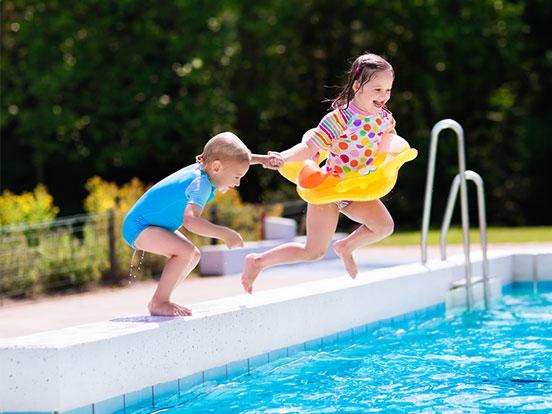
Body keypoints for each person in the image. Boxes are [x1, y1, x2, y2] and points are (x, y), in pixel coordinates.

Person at [241, 53, 410, 294]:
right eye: (377, 89)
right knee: (313, 252)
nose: (384, 96)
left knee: (384, 226)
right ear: (357, 85)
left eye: (388, 90)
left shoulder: (384, 118)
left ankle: (346, 247)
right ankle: (257, 261)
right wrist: (284, 157)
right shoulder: (340, 118)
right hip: (329, 188)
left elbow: (389, 142)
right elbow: (310, 147)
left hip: (357, 188)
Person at [122, 132, 281, 316]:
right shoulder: (201, 185)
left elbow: (233, 158)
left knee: (193, 255)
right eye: (237, 177)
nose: (237, 183)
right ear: (216, 167)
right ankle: (159, 302)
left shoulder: (206, 168)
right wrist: (225, 233)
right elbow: (190, 220)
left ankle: (161, 299)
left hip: (149, 225)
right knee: (185, 252)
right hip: (139, 227)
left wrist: (262, 160)